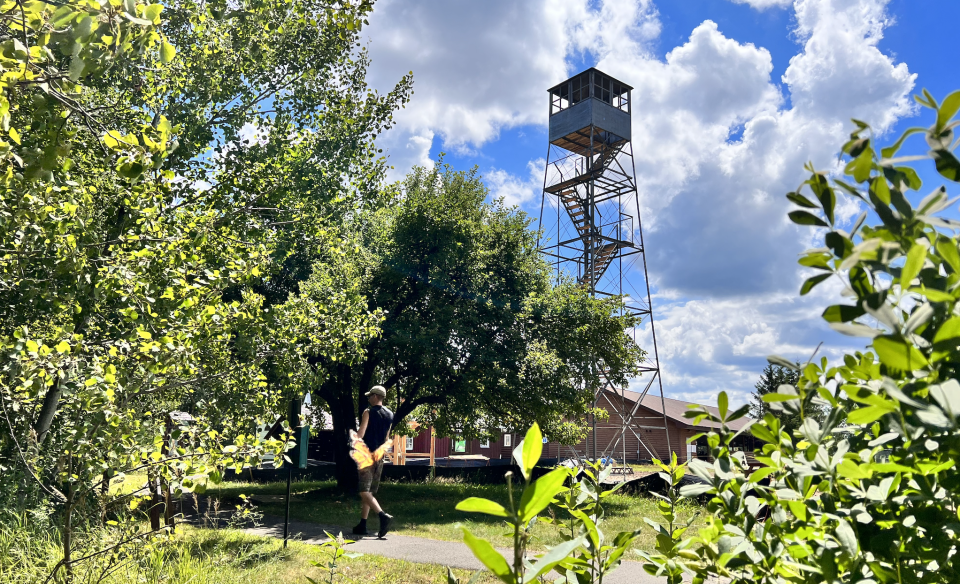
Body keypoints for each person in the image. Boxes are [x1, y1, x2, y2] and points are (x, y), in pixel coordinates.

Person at [353, 385, 394, 538]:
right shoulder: (390, 414)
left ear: (376, 396)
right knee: (369, 491)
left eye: (370, 395)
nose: (369, 398)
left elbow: (361, 433)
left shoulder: (368, 412)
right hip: (379, 455)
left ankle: (383, 516)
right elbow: (386, 438)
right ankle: (362, 524)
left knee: (363, 491)